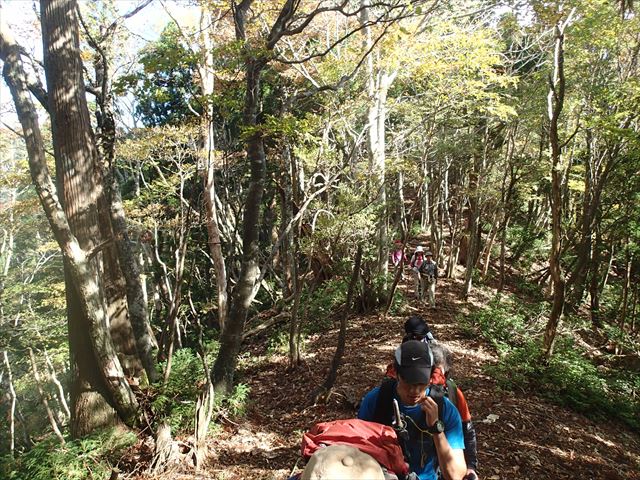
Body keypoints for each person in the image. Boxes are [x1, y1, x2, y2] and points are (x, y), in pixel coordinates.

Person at [358, 341, 466, 480]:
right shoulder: (377, 400)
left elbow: (455, 476)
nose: (414, 391)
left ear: (431, 377)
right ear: (396, 374)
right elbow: (358, 453)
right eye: (408, 383)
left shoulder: (444, 408)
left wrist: (436, 428)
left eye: (421, 383)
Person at [429, 344, 478, 480]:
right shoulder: (452, 392)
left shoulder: (402, 390)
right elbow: (468, 430)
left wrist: (470, 467)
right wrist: (471, 467)